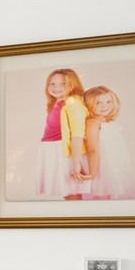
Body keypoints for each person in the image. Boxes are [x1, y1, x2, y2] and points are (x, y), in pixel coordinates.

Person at [74, 86, 135, 199]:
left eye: (108, 101)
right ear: (88, 104)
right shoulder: (92, 123)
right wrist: (93, 173)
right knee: (105, 194)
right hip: (101, 167)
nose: (105, 106)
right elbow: (92, 149)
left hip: (116, 165)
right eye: (98, 103)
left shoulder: (107, 122)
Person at [37, 67, 89, 198]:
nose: (56, 87)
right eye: (52, 84)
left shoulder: (72, 103)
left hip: (66, 155)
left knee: (73, 194)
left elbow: (77, 135)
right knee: (67, 194)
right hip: (55, 152)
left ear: (73, 84)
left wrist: (75, 163)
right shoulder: (58, 103)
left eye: (62, 84)